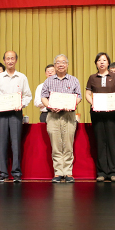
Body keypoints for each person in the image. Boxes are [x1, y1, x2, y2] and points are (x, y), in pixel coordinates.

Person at [0, 51, 33, 183]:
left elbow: (28, 95)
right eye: (7, 59)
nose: (10, 61)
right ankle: (3, 173)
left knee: (16, 144)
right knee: (2, 144)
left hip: (16, 113)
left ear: (16, 60)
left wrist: (21, 104)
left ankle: (16, 173)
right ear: (4, 61)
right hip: (2, 114)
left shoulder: (22, 77)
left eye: (12, 58)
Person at [41, 54, 82, 183]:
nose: (61, 64)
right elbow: (43, 97)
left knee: (68, 144)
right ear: (54, 65)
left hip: (69, 115)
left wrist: (73, 104)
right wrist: (50, 106)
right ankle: (58, 172)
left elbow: (79, 96)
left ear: (67, 65)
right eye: (58, 62)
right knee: (56, 145)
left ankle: (68, 172)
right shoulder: (48, 81)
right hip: (53, 116)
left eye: (63, 62)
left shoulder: (74, 80)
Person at [85, 52, 115, 182]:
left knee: (111, 141)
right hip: (97, 112)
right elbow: (87, 94)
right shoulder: (92, 77)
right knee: (100, 142)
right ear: (96, 63)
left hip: (112, 113)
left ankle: (113, 172)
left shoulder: (114, 76)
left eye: (104, 60)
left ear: (108, 63)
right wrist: (93, 102)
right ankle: (101, 172)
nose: (102, 62)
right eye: (99, 60)